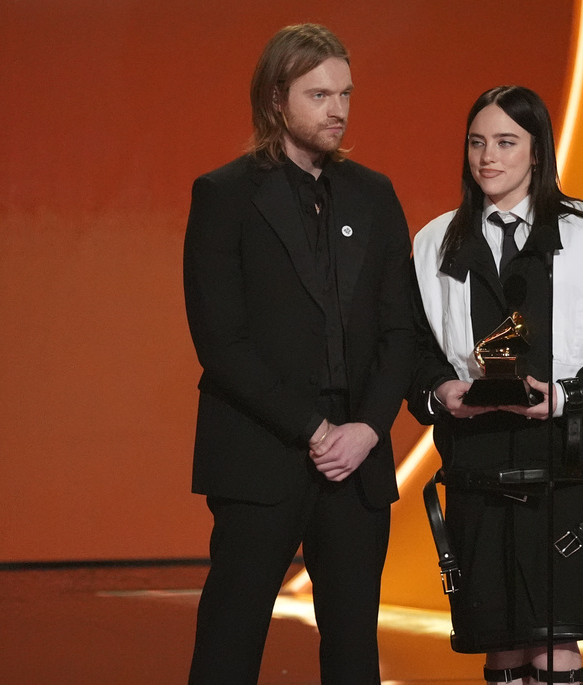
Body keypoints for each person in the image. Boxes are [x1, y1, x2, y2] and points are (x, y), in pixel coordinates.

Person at [408, 85, 583, 684]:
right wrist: (439, 392)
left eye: (506, 142)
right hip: (477, 474)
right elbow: (412, 350)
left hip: (566, 474)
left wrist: (568, 396)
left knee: (553, 648)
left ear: (537, 151)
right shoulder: (433, 245)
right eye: (477, 142)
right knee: (500, 647)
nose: (488, 157)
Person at [183, 24, 414, 684]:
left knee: (352, 654)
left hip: (358, 462)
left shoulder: (375, 194)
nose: (337, 109)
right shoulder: (224, 196)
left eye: (345, 94)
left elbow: (402, 330)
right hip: (261, 453)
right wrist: (315, 430)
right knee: (229, 645)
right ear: (277, 97)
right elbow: (221, 343)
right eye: (319, 94)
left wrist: (366, 428)